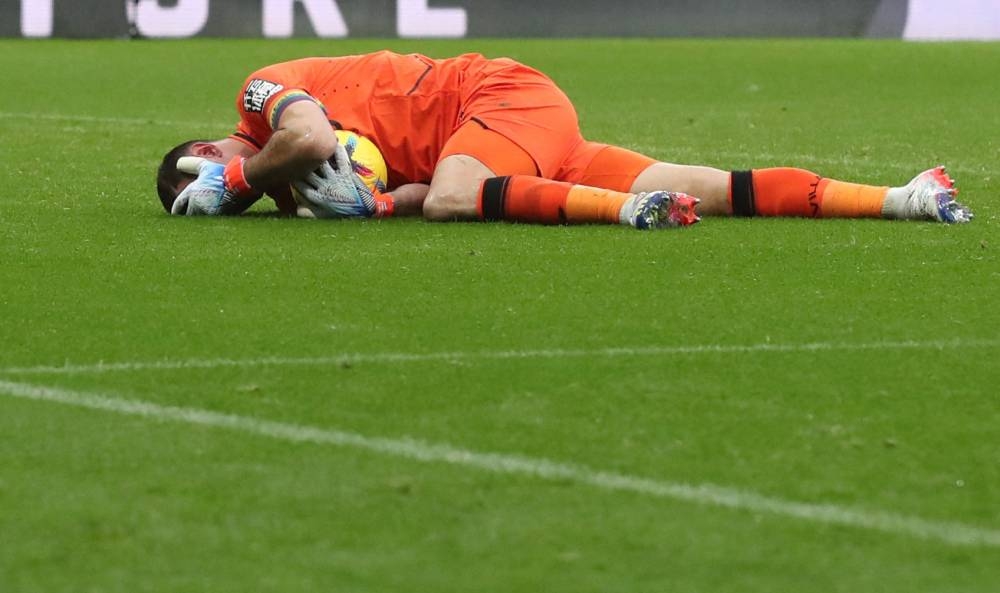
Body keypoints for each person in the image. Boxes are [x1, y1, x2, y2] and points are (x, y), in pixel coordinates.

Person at [157, 50, 972, 229]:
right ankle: (905, 197)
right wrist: (377, 204)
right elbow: (396, 185)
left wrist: (233, 183)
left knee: (451, 198)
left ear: (213, 147)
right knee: (718, 186)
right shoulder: (287, 185)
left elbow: (302, 138)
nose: (232, 187)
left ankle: (625, 214)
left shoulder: (261, 101)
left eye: (211, 174)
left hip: (494, 101)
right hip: (504, 138)